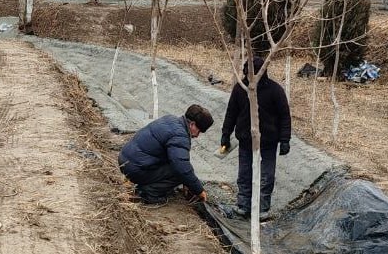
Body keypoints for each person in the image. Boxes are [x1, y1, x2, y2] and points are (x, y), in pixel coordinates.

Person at [220, 57, 291, 221]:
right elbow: (231, 113)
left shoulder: (275, 91)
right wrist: (226, 134)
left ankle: (262, 210)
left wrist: (285, 139)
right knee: (244, 175)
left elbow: (284, 116)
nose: (249, 75)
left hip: (268, 142)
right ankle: (243, 206)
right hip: (245, 141)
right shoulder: (240, 89)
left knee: (267, 177)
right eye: (247, 71)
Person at [118, 104, 214, 205]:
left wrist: (188, 182)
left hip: (126, 160)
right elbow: (181, 168)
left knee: (181, 169)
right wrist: (199, 190)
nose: (197, 135)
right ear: (192, 124)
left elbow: (177, 159)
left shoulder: (171, 119)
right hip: (134, 168)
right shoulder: (180, 136)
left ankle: (148, 186)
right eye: (199, 131)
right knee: (179, 173)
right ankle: (149, 193)